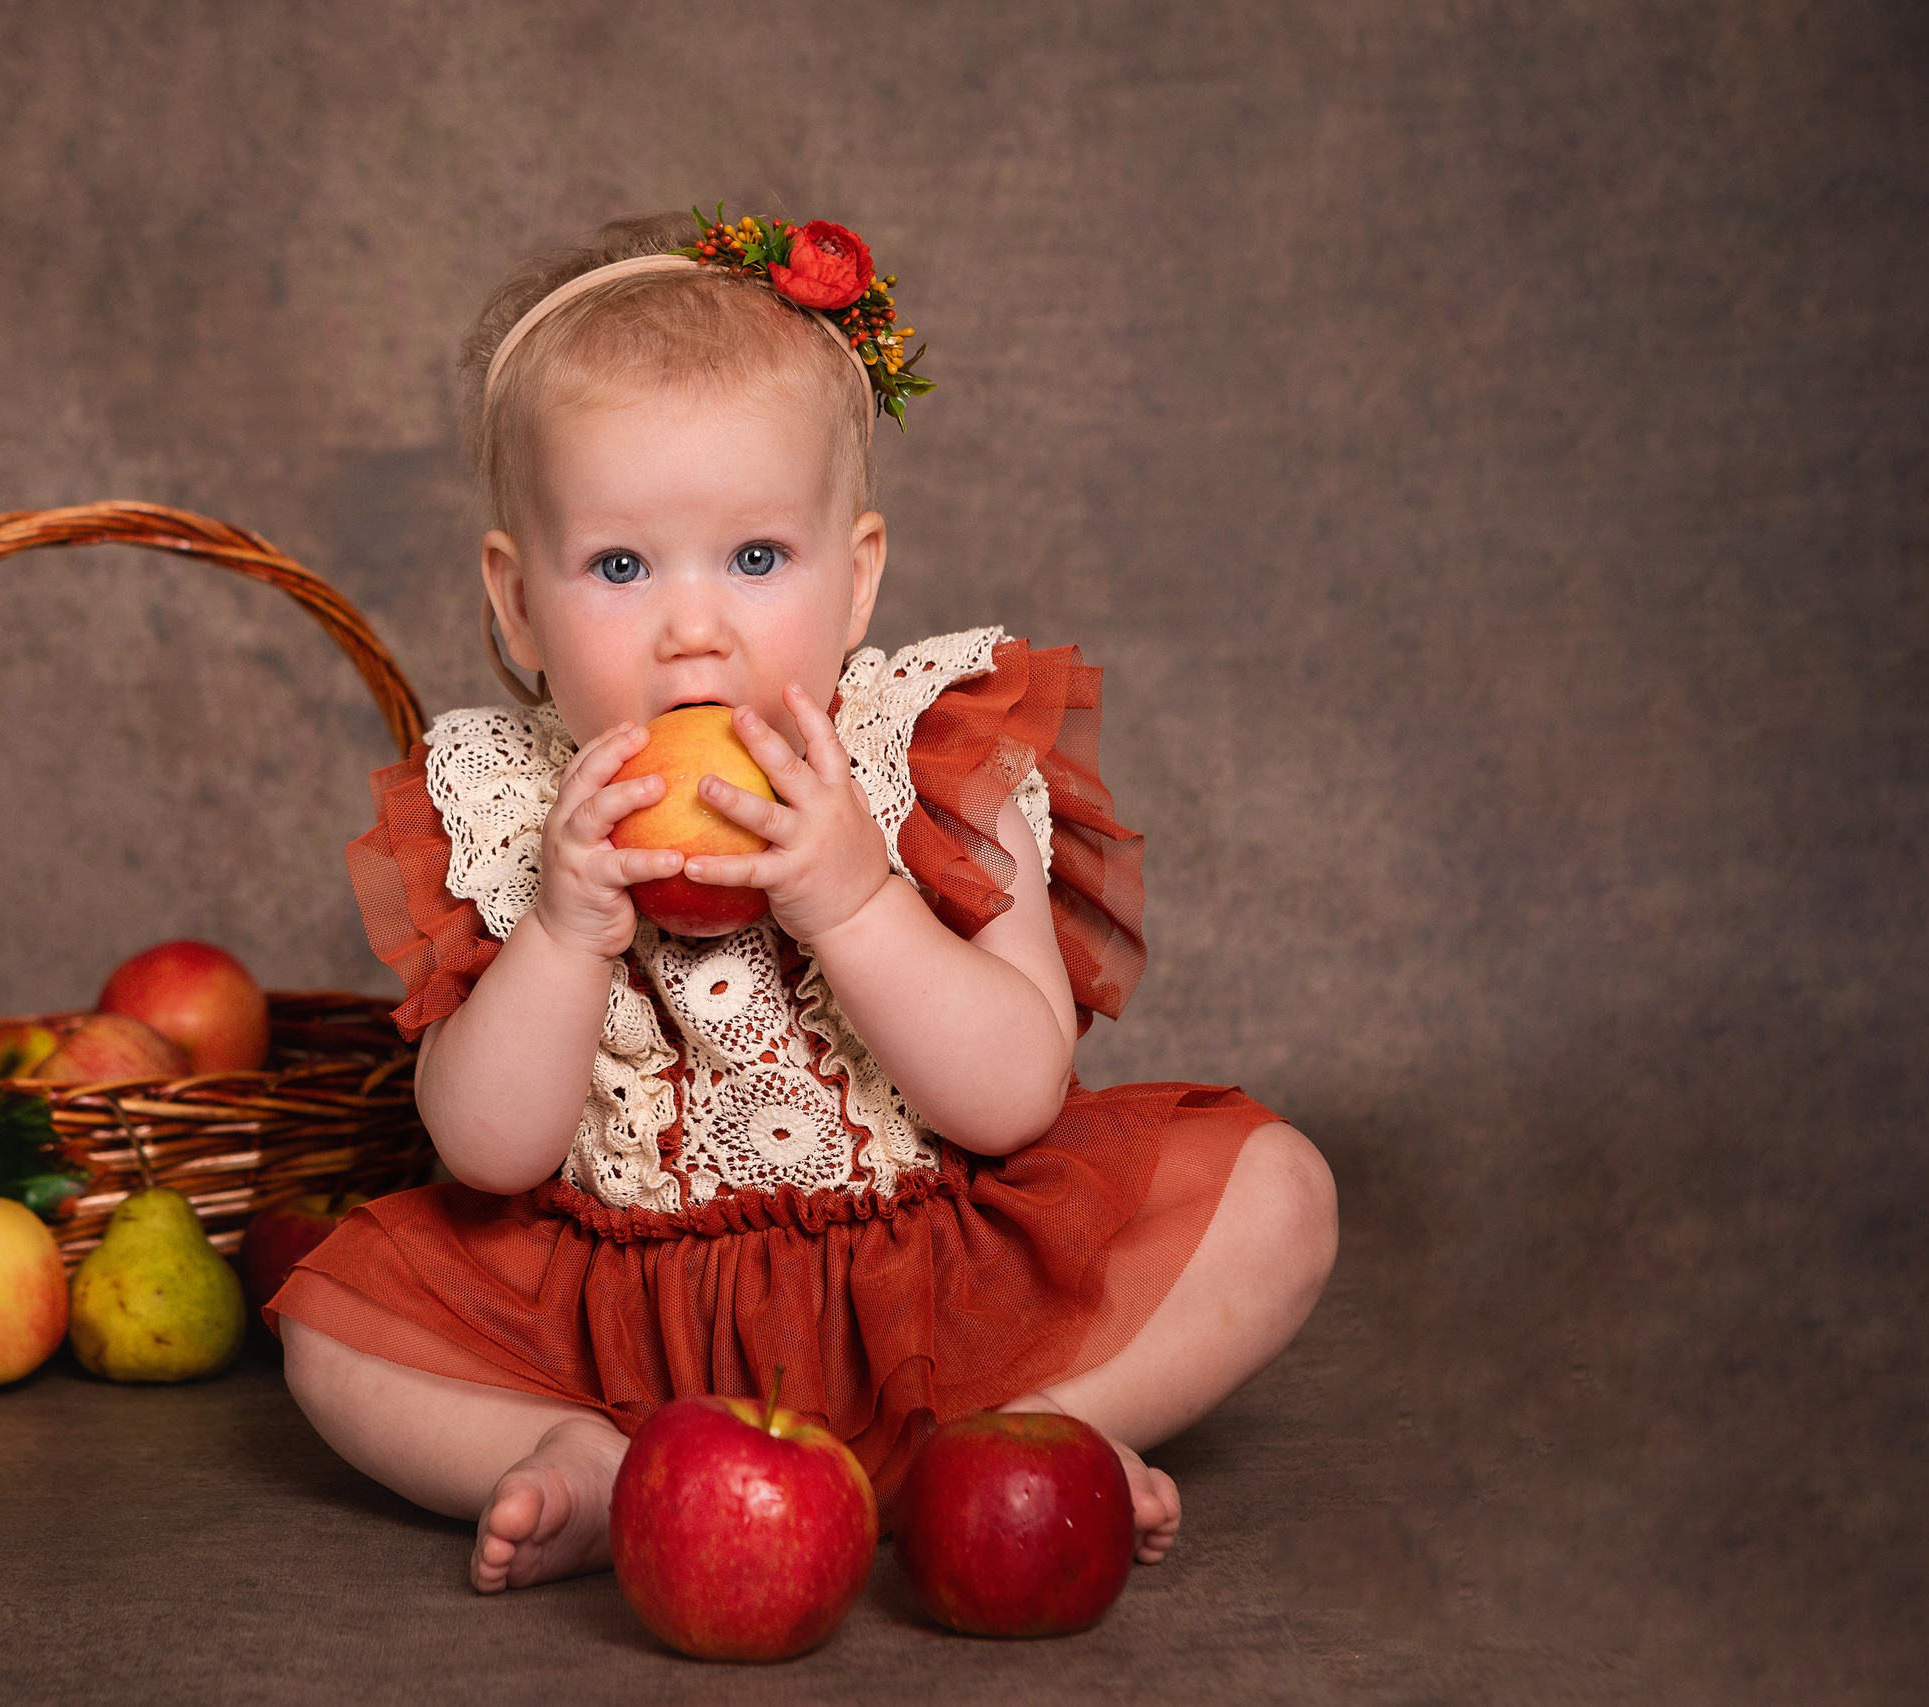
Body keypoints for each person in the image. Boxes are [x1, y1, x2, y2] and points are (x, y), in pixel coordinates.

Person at [270, 207, 1339, 1595]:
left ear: (858, 579)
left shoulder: (931, 757)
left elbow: (1016, 1096)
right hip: (619, 1322)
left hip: (929, 1291)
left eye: (758, 560)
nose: (692, 627)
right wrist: (565, 926)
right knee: (334, 1325)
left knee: (1277, 1195)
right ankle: (587, 1462)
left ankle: (1019, 1442)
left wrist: (853, 895)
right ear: (516, 604)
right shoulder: (516, 810)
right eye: (619, 566)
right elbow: (486, 1151)